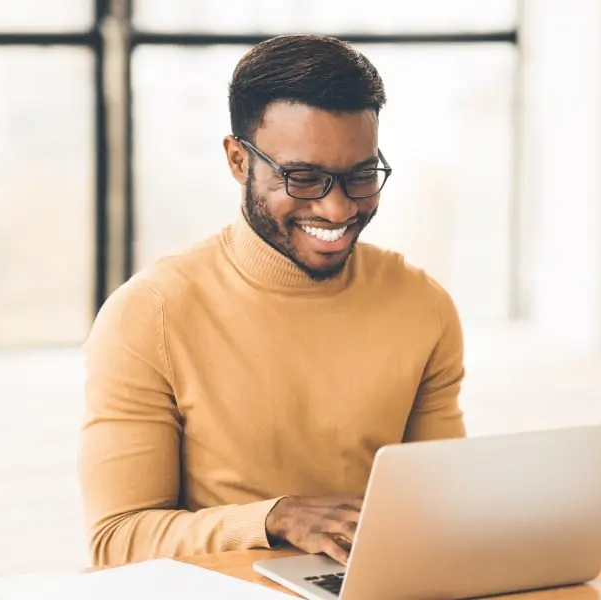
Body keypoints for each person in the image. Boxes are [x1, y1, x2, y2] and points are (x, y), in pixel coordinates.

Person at [78, 34, 467, 569]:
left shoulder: (423, 305)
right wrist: (273, 518)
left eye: (360, 176)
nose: (336, 209)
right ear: (238, 160)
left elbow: (443, 505)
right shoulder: (149, 315)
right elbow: (117, 539)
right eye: (303, 178)